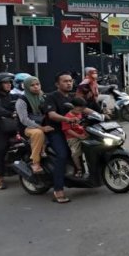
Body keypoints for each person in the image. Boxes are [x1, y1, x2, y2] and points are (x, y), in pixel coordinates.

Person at [43, 72, 95, 203]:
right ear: (57, 84)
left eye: (70, 81)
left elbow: (83, 109)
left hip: (72, 130)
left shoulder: (72, 97)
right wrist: (67, 119)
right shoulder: (51, 97)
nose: (69, 83)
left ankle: (85, 173)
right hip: (56, 131)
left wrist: (99, 115)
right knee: (62, 155)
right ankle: (58, 190)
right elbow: (52, 115)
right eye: (65, 81)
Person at [15, 75, 54, 175]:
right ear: (27, 87)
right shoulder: (22, 100)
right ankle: (35, 162)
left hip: (43, 124)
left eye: (38, 84)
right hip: (27, 128)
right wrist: (41, 127)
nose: (36, 87)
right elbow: (24, 119)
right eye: (32, 85)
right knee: (38, 133)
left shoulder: (42, 96)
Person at [62, 97, 88, 178]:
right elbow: (67, 130)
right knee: (75, 153)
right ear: (72, 107)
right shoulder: (67, 117)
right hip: (72, 137)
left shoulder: (79, 114)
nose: (80, 111)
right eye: (79, 109)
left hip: (83, 134)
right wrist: (79, 136)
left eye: (82, 110)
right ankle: (79, 169)